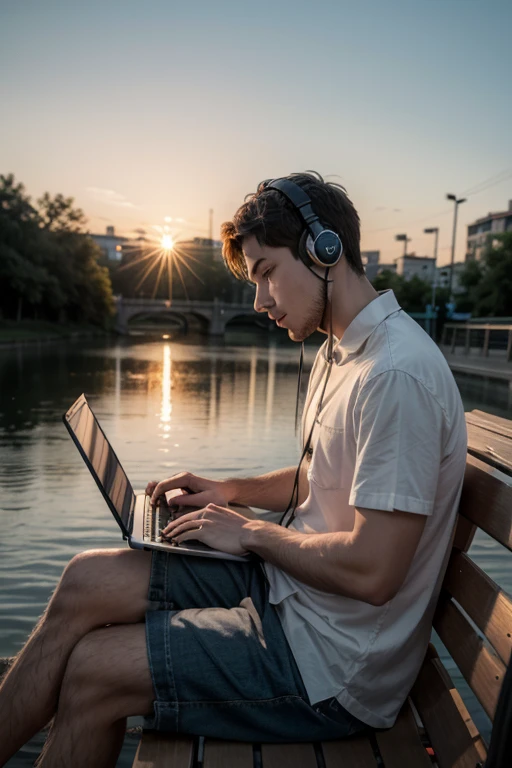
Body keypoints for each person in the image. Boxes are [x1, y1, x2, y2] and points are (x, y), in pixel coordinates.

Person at [0, 172, 467, 767]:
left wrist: (248, 531)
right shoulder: (339, 349)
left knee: (94, 671)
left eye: (267, 272)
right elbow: (322, 476)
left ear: (326, 251)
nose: (260, 301)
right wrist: (227, 490)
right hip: (297, 595)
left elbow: (373, 572)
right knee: (84, 579)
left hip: (333, 666)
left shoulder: (395, 377)